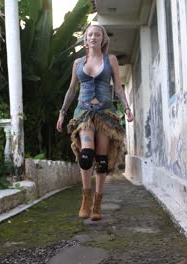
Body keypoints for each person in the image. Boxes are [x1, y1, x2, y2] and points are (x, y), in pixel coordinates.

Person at [56, 24, 134, 221]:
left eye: (97, 34)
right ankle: (85, 199)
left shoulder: (111, 60)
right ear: (86, 38)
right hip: (83, 113)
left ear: (103, 38)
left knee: (101, 160)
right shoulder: (77, 63)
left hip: (105, 113)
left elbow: (118, 88)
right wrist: (63, 113)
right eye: (90, 34)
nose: (93, 37)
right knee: (85, 155)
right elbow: (72, 90)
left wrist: (126, 107)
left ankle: (97, 204)